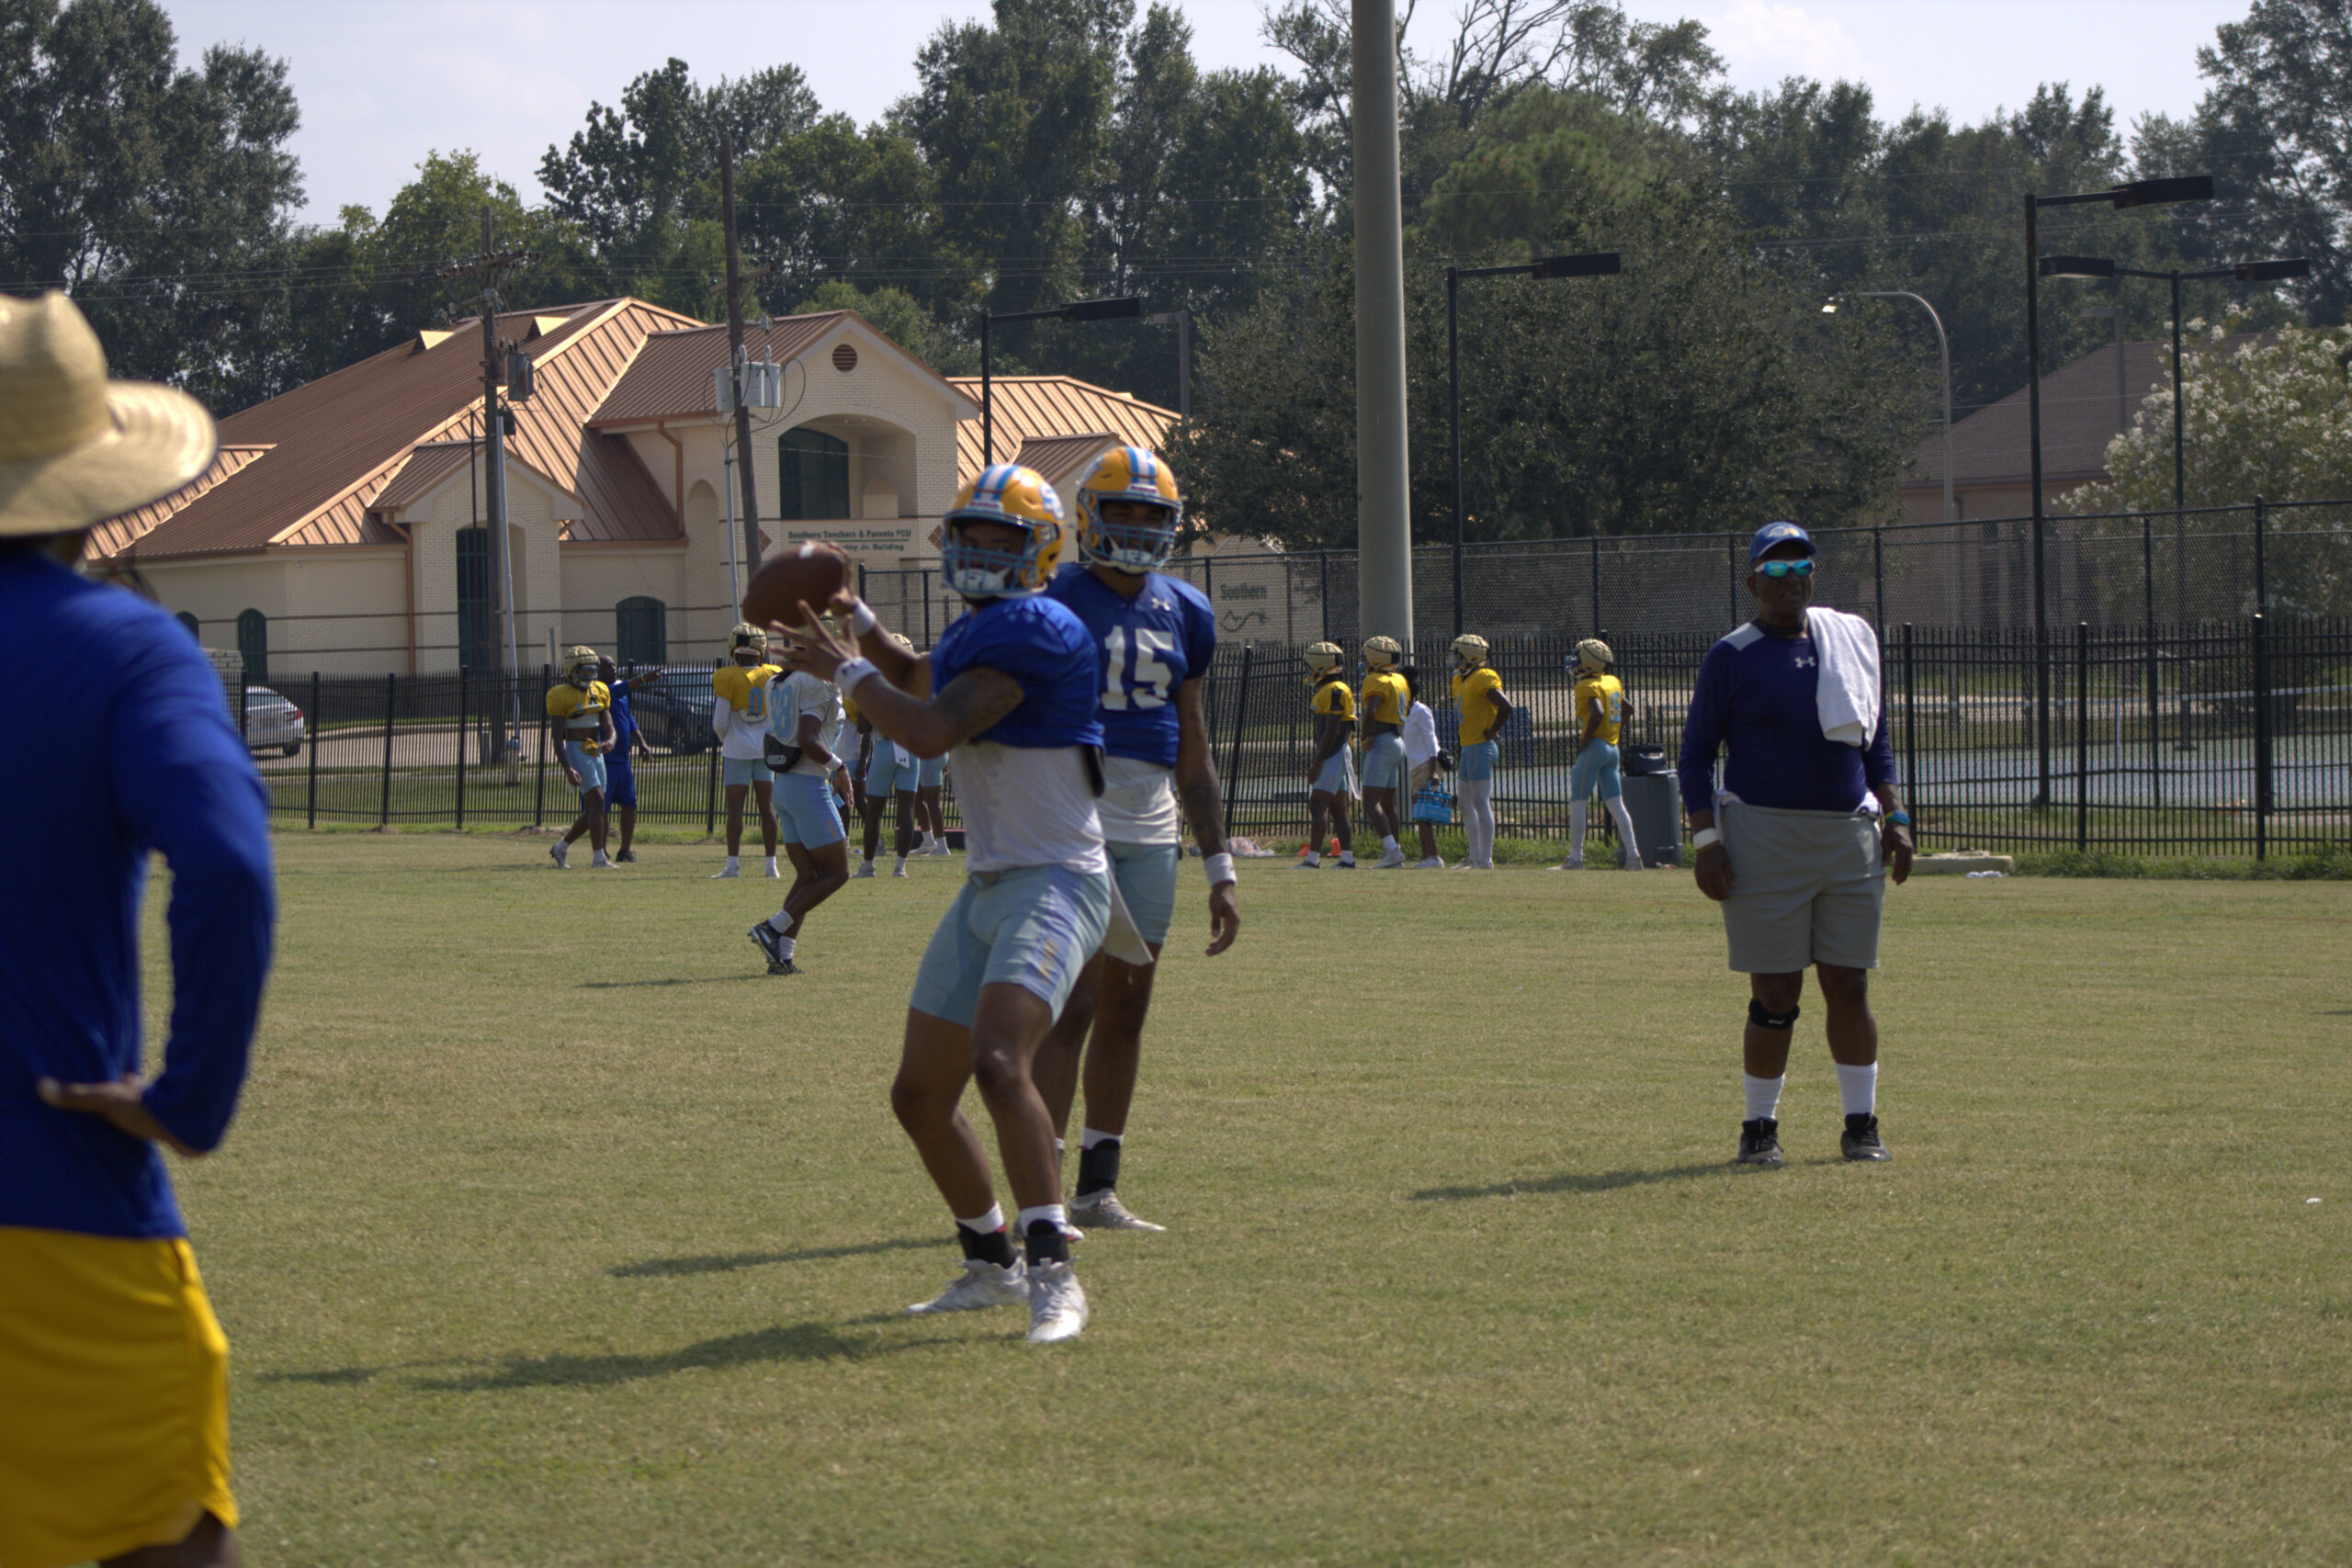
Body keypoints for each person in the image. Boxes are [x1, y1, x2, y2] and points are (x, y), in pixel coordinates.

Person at [1, 291, 276, 1568]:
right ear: (93, 484)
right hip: (52, 1205)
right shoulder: (125, 650)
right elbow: (225, 862)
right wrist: (188, 1098)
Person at [774, 463, 1114, 1344]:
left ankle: (1054, 1275)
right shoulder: (984, 628)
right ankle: (989, 1260)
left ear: (1040, 552)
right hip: (991, 882)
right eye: (972, 536)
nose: (982, 553)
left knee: (1002, 1063)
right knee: (920, 1095)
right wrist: (858, 621)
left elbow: (927, 726)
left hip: (1058, 877)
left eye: (1003, 540)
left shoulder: (1040, 626)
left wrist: (847, 671)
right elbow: (919, 674)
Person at [1033, 446, 1240, 1234]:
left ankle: (1098, 1183)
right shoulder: (1055, 595)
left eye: (1151, 516)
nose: (1135, 527)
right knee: (1073, 1004)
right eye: (1121, 511)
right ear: (1089, 516)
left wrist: (1220, 863)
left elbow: (1193, 740)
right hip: (1072, 812)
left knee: (1128, 1007)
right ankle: (1041, 1189)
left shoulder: (1187, 609)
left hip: (1152, 819)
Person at [1679, 521, 1914, 1168]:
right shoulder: (1734, 654)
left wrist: (1896, 819)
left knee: (1849, 983)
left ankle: (1860, 1123)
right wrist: (1707, 840)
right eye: (1775, 570)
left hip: (1848, 835)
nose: (1791, 580)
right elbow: (1697, 753)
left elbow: (1875, 743)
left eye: (1801, 565)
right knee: (1777, 991)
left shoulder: (1849, 643)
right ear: (1751, 581)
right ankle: (1760, 1128)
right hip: (1764, 837)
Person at [748, 639, 853, 976]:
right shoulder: (814, 682)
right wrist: (839, 766)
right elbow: (808, 738)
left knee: (808, 875)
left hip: (784, 786)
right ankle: (773, 928)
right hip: (808, 784)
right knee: (837, 872)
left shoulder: (778, 682)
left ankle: (782, 955)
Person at [1556, 638, 1644, 871]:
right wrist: (1613, 730)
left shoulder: (1586, 686)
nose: (1574, 661)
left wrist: (1583, 741)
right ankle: (1634, 856)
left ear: (1589, 662)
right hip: (1611, 748)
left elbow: (1597, 712)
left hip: (1594, 747)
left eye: (1578, 657)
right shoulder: (1612, 681)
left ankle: (1576, 857)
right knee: (1617, 805)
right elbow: (1628, 708)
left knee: (1578, 802)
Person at [710, 623, 781, 878]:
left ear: (734, 648)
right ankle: (771, 865)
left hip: (736, 748)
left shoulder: (725, 677)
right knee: (767, 807)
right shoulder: (774, 674)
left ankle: (732, 865)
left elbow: (719, 722)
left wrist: (725, 739)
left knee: (735, 809)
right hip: (765, 747)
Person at [853, 633, 921, 880]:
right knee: (906, 809)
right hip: (910, 747)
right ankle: (900, 868)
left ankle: (868, 866)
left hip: (883, 746)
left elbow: (862, 726)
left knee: (874, 812)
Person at [544, 646, 615, 869]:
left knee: (597, 806)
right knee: (598, 801)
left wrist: (611, 739)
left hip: (595, 751)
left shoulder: (600, 690)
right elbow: (556, 738)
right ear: (571, 670)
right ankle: (598, 858)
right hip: (576, 750)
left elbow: (609, 725)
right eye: (584, 672)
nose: (589, 676)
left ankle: (561, 848)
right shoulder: (560, 694)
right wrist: (567, 768)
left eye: (592, 671)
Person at [1448, 634, 1512, 871]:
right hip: (1469, 746)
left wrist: (1492, 730)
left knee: (1479, 802)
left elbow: (1506, 706)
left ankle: (1485, 859)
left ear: (1470, 657)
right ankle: (1474, 856)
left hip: (1479, 747)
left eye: (1458, 655)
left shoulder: (1482, 677)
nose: (1455, 660)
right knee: (1465, 803)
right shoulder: (1461, 681)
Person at [1298, 642, 1356, 869]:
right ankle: (1347, 858)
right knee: (1338, 808)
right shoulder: (1327, 690)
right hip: (1337, 752)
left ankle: (1312, 859)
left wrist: (1317, 762)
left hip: (1335, 752)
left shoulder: (1335, 690)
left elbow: (1333, 730)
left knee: (1317, 803)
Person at [1358, 636, 1412, 869]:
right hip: (1397, 740)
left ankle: (1391, 850)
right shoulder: (1400, 680)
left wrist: (1364, 737)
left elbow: (1371, 711)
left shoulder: (1375, 680)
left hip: (1381, 742)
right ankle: (1395, 852)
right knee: (1388, 804)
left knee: (1370, 801)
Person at [599, 656, 654, 863]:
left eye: (614, 665)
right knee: (603, 808)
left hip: (623, 760)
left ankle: (625, 850)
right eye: (607, 666)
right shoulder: (600, 690)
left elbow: (628, 718)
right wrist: (642, 679)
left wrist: (641, 742)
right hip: (606, 760)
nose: (613, 669)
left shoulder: (619, 690)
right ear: (597, 671)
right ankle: (601, 850)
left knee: (630, 804)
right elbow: (622, 689)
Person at [1398, 665, 1445, 868]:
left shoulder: (1421, 711)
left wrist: (1434, 770)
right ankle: (1427, 855)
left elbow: (1431, 739)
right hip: (1415, 766)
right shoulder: (1404, 712)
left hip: (1426, 764)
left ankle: (1433, 856)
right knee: (1419, 813)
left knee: (1422, 812)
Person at [914, 753, 953, 856]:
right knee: (916, 799)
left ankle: (942, 847)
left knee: (932, 803)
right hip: (933, 756)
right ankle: (928, 842)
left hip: (929, 757)